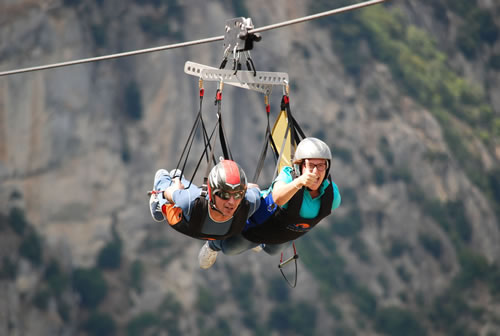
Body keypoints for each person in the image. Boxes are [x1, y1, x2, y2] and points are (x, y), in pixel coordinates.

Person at [197, 137, 341, 268]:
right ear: (300, 166)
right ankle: (213, 245)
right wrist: (299, 182)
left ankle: (261, 242)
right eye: (311, 165)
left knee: (273, 250)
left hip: (283, 233)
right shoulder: (289, 177)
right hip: (258, 224)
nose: (316, 172)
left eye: (321, 165)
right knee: (230, 249)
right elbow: (278, 197)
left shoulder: (332, 197)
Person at [149, 160, 261, 250]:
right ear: (212, 193)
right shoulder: (188, 201)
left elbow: (255, 189)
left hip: (199, 216)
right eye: (224, 194)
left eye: (237, 195)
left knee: (189, 193)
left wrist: (240, 189)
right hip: (185, 220)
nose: (231, 202)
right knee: (170, 188)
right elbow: (168, 193)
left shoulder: (250, 202)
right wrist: (175, 190)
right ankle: (164, 180)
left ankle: (179, 177)